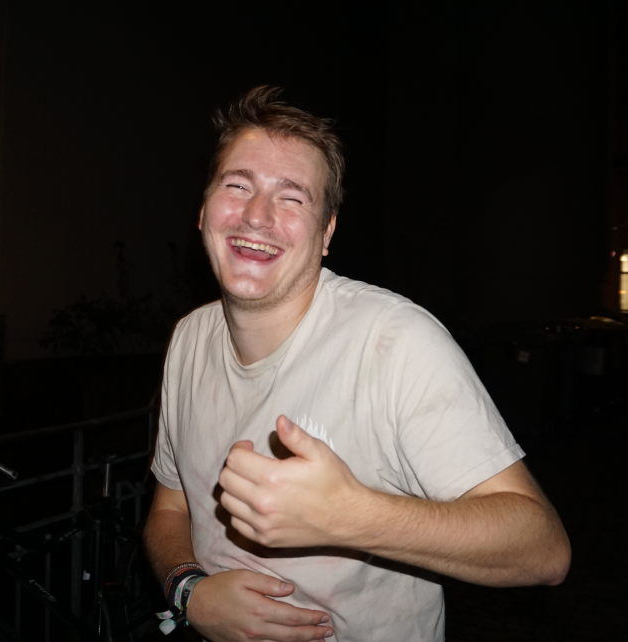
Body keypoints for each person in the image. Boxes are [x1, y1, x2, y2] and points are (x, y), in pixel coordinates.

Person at [145, 86, 570, 642]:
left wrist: (350, 515)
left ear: (326, 233)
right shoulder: (189, 339)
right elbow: (170, 510)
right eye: (237, 185)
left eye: (292, 198)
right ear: (204, 210)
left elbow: (542, 549)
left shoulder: (393, 342)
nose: (257, 215)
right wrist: (189, 590)